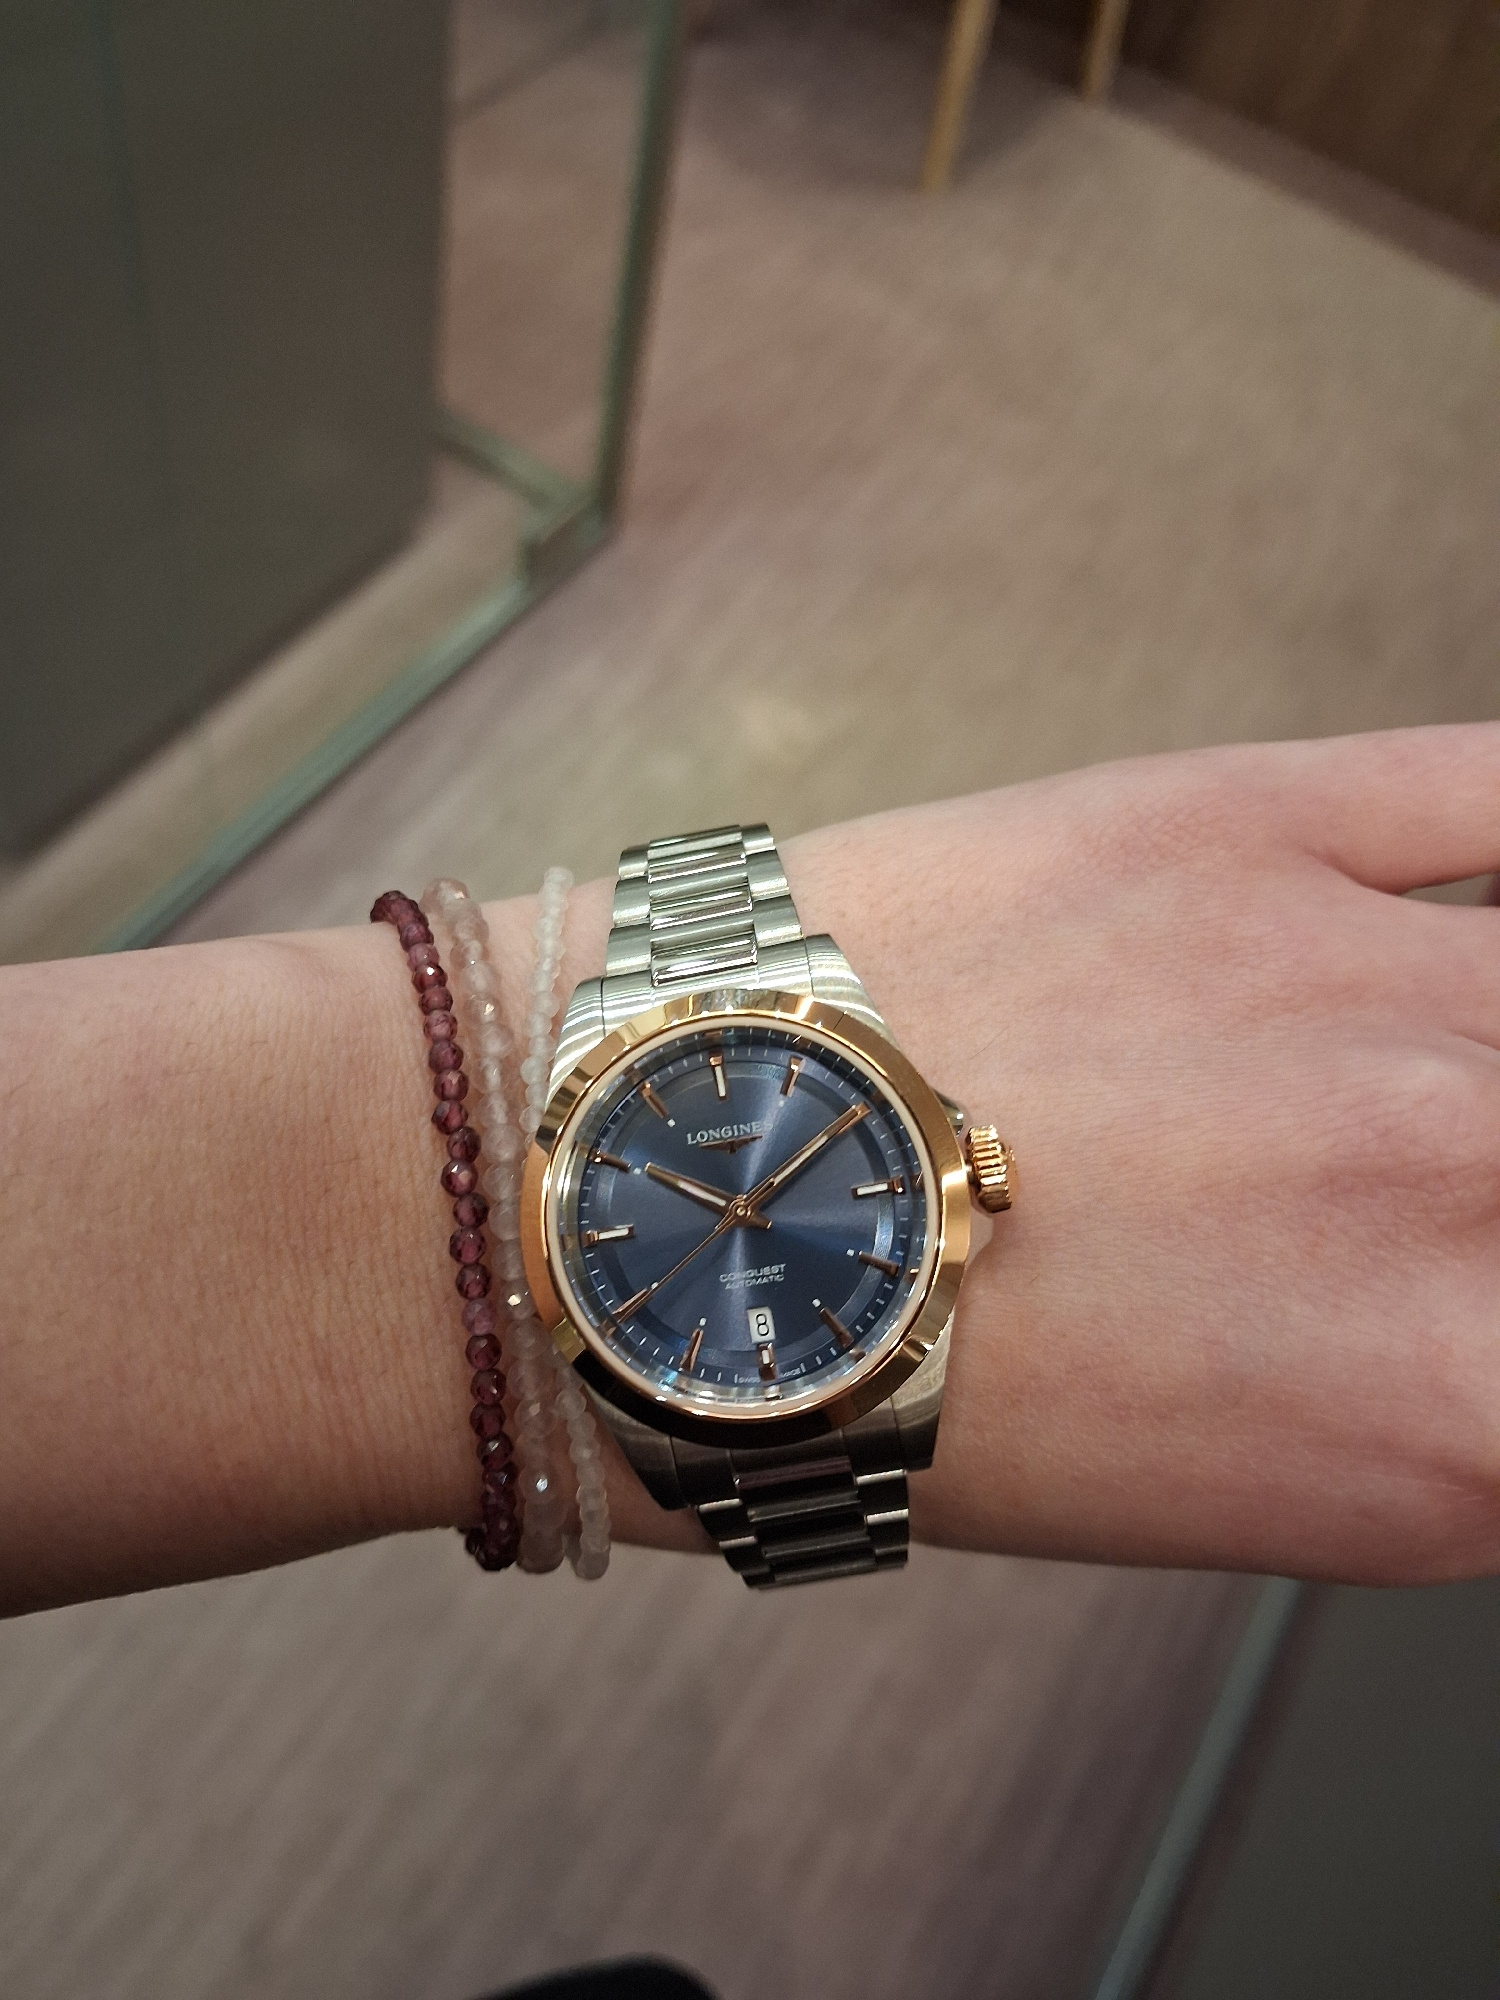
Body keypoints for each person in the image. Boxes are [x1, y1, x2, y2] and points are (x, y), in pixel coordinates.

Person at [1, 724, 1495, 1619]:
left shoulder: (881, 1199)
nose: (743, 1204)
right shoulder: (681, 1177)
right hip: (688, 1298)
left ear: (961, 1172)